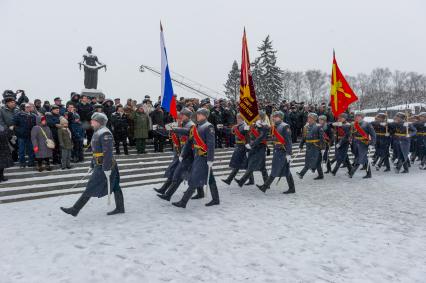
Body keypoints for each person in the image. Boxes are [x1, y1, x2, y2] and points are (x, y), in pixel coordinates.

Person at [60, 112, 124, 217]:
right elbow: (96, 152)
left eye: (93, 120)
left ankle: (75, 210)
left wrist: (106, 168)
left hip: (105, 165)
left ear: (99, 122)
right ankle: (120, 207)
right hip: (100, 164)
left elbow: (107, 153)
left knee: (91, 187)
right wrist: (92, 164)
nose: (91, 122)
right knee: (116, 186)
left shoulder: (105, 133)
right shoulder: (97, 132)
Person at [172, 108, 220, 208]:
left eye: (199, 114)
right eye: (197, 114)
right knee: (210, 179)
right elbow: (189, 139)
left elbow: (211, 144)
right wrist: (182, 154)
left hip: (203, 156)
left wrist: (210, 159)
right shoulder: (196, 127)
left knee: (194, 179)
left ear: (205, 116)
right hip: (197, 156)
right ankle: (216, 199)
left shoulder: (208, 126)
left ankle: (183, 202)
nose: (197, 115)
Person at [156, 108, 201, 200]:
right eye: (177, 117)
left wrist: (176, 128)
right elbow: (167, 131)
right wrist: (158, 129)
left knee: (180, 173)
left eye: (180, 116)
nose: (178, 118)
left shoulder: (191, 125)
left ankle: (168, 194)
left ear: (187, 116)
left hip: (188, 153)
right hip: (179, 152)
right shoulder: (177, 124)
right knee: (174, 171)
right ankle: (164, 190)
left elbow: (188, 135)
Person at [257, 111, 295, 194]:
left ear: (280, 117)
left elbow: (288, 141)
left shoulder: (285, 126)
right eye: (273, 116)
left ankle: (265, 186)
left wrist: (289, 153)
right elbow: (271, 135)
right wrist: (260, 126)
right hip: (277, 150)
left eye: (275, 116)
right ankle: (292, 188)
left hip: (282, 151)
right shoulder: (275, 126)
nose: (273, 118)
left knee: (275, 169)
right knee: (286, 170)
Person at [235, 111, 270, 187]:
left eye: (256, 117)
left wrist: (251, 145)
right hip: (254, 147)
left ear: (260, 117)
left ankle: (241, 182)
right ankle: (267, 184)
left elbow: (261, 138)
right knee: (262, 167)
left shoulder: (265, 126)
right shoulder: (254, 125)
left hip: (260, 148)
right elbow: (248, 135)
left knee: (251, 166)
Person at [221, 113, 250, 185]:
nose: (237, 119)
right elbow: (230, 131)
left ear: (242, 119)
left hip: (242, 147)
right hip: (238, 146)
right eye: (237, 118)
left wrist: (248, 146)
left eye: (238, 118)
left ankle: (229, 179)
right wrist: (223, 128)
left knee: (240, 164)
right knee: (243, 164)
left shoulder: (245, 126)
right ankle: (229, 180)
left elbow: (247, 137)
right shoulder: (238, 126)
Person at [297, 113, 325, 180]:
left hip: (315, 146)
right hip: (308, 146)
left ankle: (301, 174)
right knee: (317, 162)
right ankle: (321, 175)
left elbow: (322, 138)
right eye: (308, 118)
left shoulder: (318, 126)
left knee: (309, 160)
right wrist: (301, 146)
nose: (308, 119)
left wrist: (322, 148)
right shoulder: (306, 127)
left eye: (310, 118)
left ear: (314, 119)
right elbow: (304, 137)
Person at [348, 111, 376, 178]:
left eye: (358, 116)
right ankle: (369, 174)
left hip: (363, 143)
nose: (356, 117)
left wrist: (372, 143)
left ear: (362, 117)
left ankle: (351, 172)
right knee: (364, 158)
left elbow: (373, 134)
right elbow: (351, 133)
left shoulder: (367, 124)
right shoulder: (354, 124)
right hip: (355, 143)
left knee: (359, 158)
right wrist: (350, 138)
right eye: (356, 116)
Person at [13, 103, 36, 168]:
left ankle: (31, 162)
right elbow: (15, 124)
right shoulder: (18, 115)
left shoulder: (33, 115)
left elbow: (35, 125)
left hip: (30, 135)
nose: (29, 108)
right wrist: (19, 132)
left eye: (29, 107)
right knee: (21, 150)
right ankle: (22, 163)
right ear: (23, 108)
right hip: (21, 136)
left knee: (31, 149)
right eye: (27, 107)